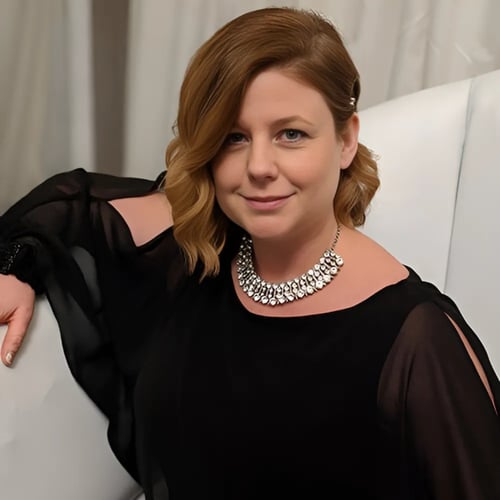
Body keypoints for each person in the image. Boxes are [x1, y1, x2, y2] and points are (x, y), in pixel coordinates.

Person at [0, 6, 499, 499]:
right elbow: (72, 204)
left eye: (291, 134)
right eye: (234, 138)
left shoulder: (416, 340)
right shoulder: (196, 257)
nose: (259, 166)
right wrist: (15, 267)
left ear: (346, 140)